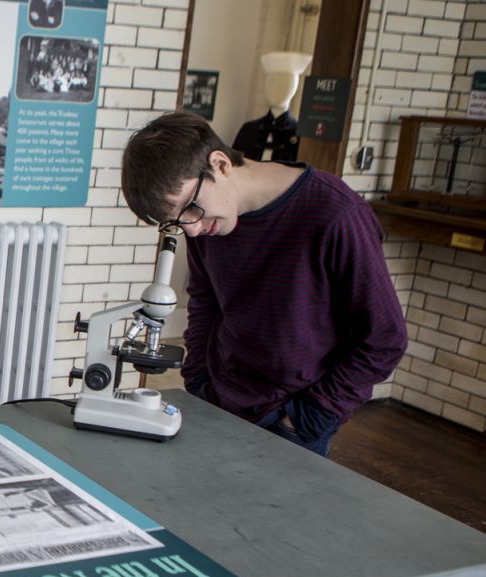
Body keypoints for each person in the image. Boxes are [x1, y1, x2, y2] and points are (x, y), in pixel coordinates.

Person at [119, 112, 407, 456]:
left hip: (292, 421)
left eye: (191, 208)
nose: (192, 229)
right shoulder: (207, 223)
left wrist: (312, 416)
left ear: (220, 164)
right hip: (217, 401)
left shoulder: (337, 214)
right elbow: (206, 302)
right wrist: (198, 381)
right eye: (178, 222)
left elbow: (384, 339)